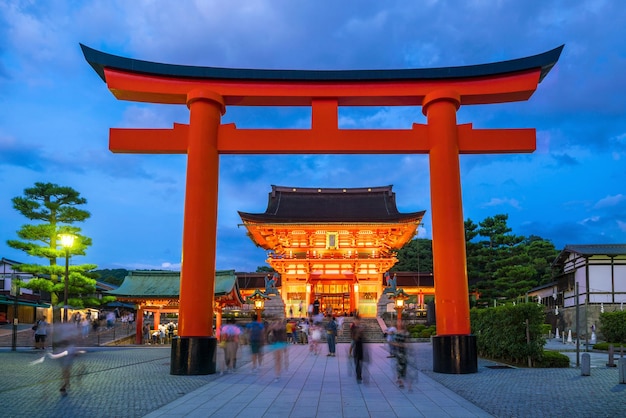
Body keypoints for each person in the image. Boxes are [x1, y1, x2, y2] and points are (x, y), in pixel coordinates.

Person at [351, 317, 366, 383]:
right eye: (355, 320)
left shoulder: (361, 328)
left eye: (358, 320)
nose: (357, 321)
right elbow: (353, 338)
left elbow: (363, 337)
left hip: (361, 347)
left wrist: (361, 332)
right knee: (357, 363)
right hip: (356, 347)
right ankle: (358, 375)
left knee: (360, 363)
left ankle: (359, 375)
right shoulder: (353, 328)